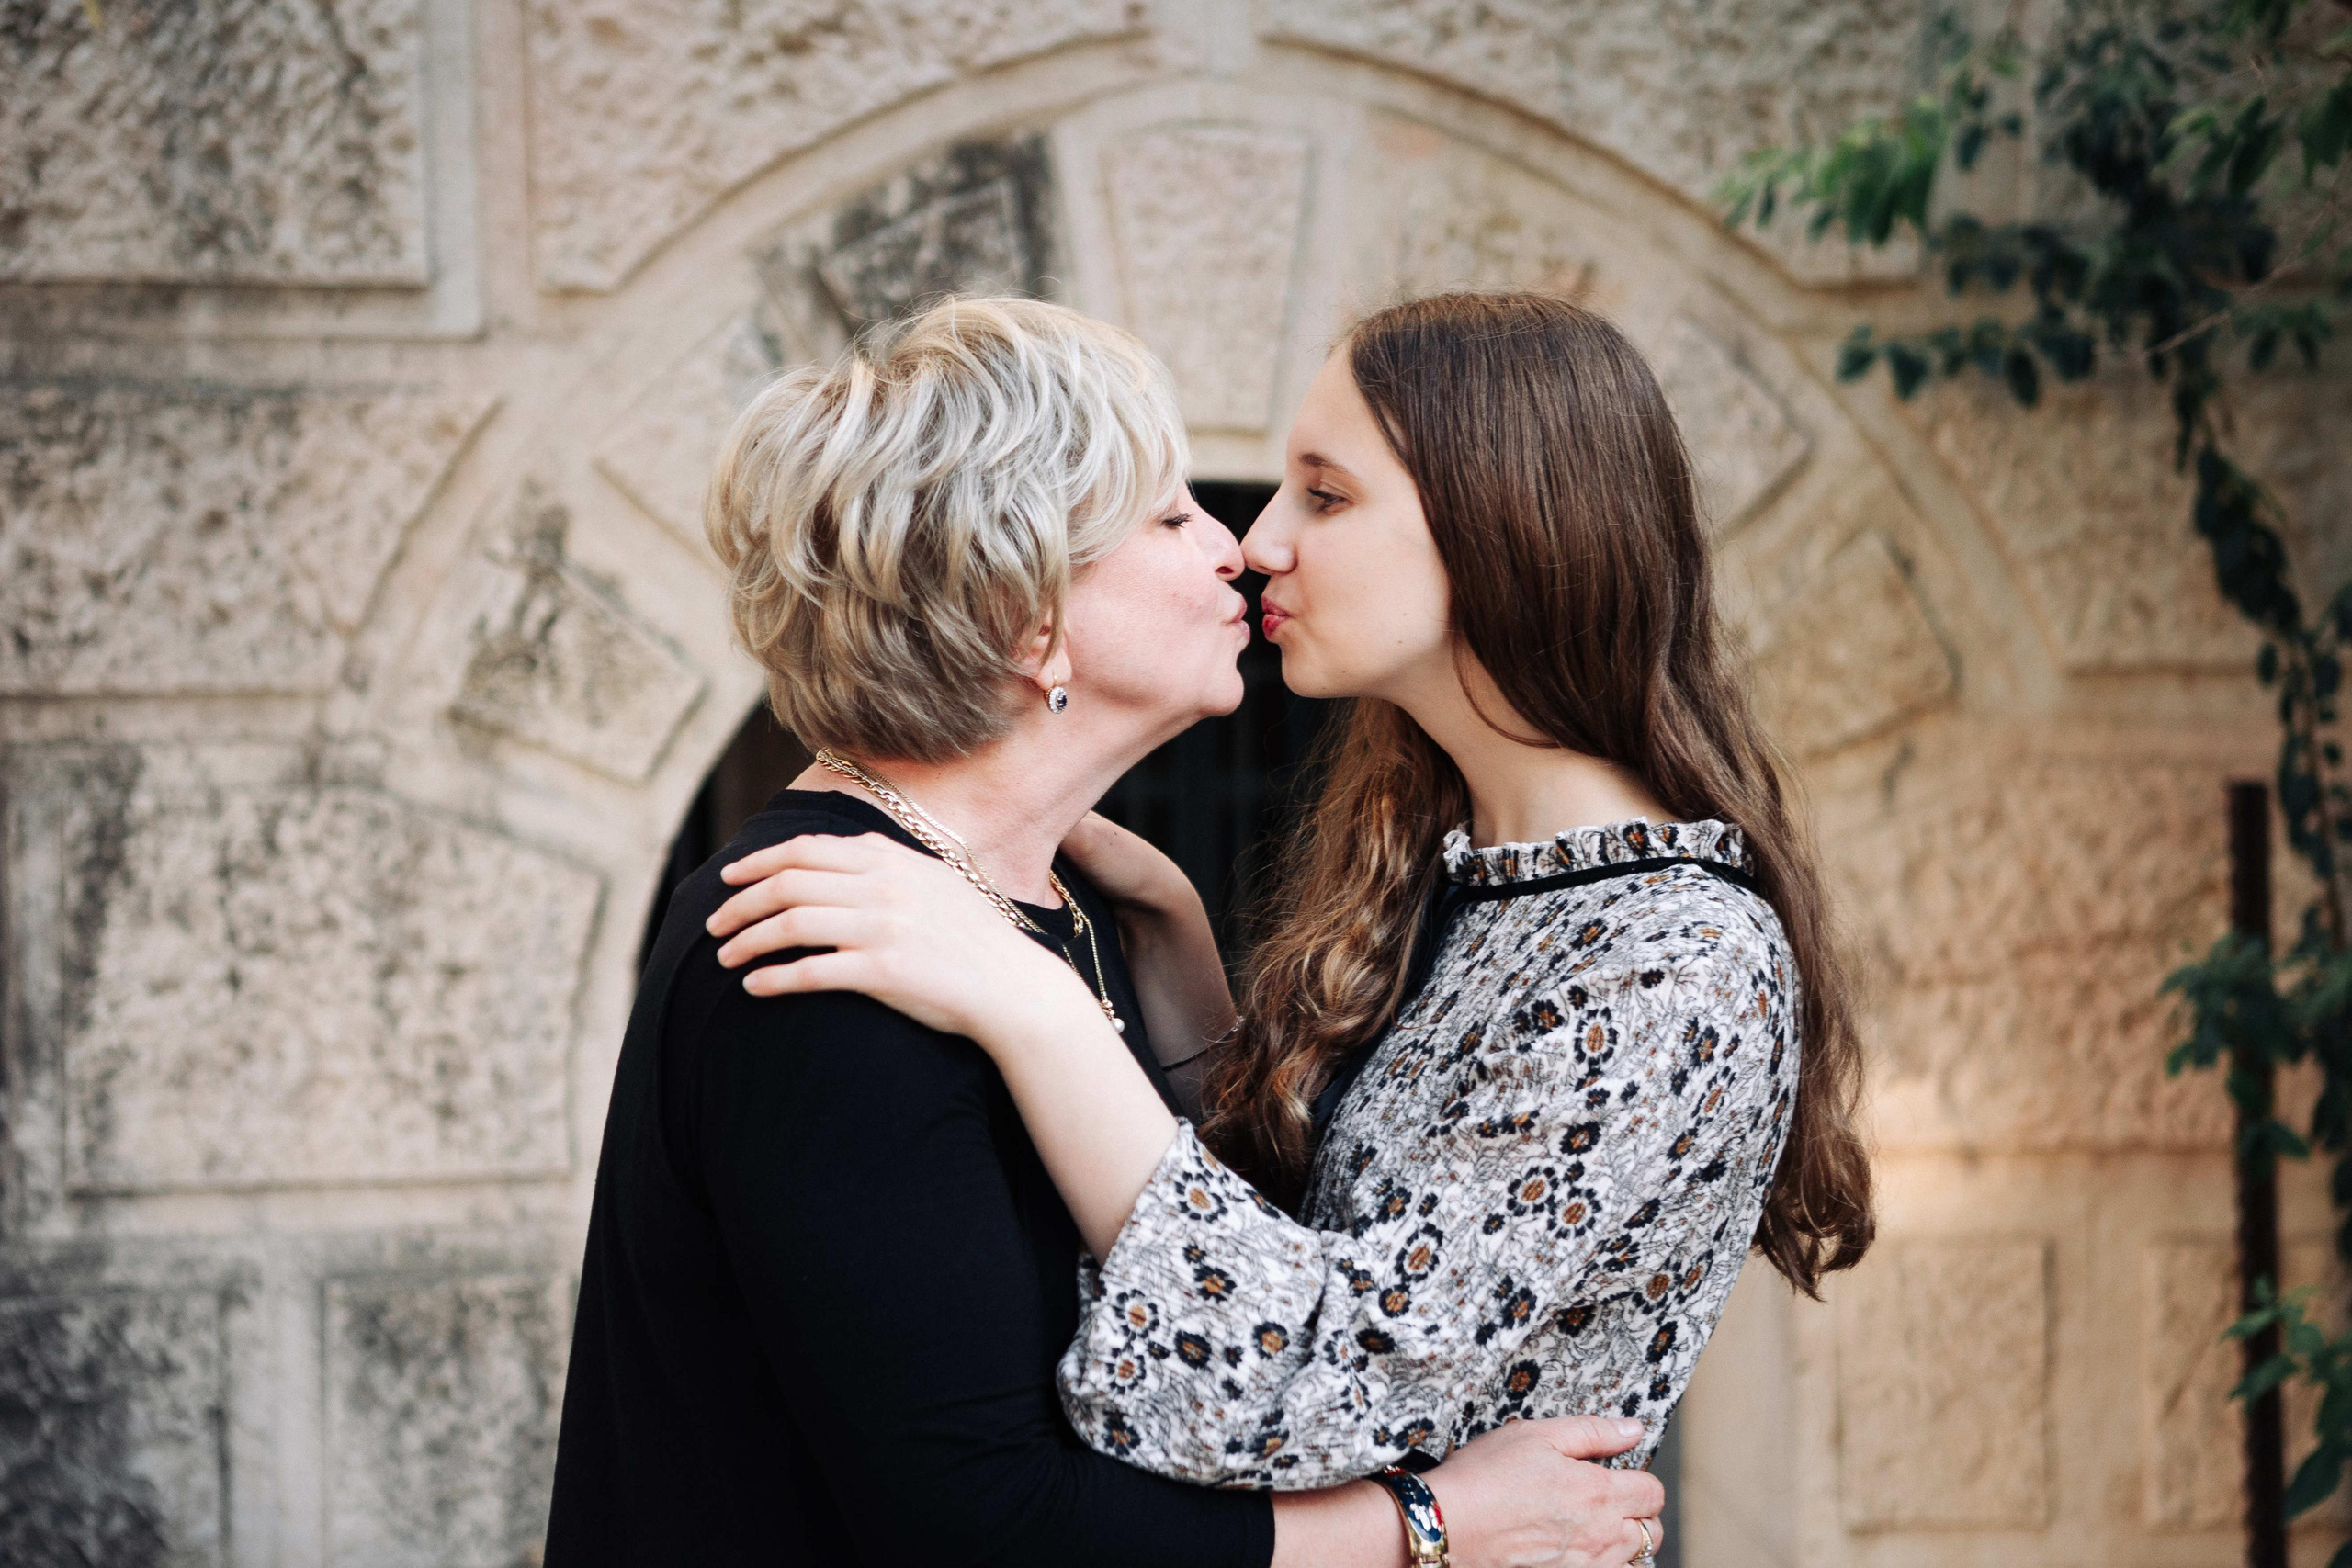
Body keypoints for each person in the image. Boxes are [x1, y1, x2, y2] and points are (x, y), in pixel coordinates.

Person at [706, 292, 1876, 1517]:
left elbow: (1314, 1378)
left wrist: (1035, 1007)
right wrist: (1171, 938)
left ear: (1501, 526)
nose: (1259, 541)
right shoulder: (1471, 877)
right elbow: (1305, 1237)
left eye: (1325, 495)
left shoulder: (1674, 958)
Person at [543, 295, 1667, 1568]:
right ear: (1032, 618)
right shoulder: (826, 948)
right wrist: (1429, 1524)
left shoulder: (1035, 915)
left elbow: (1202, 1288)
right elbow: (988, 1527)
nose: (1235, 550)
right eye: (1174, 516)